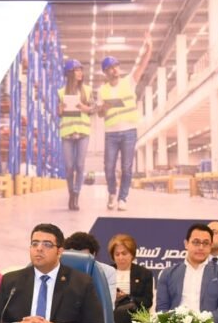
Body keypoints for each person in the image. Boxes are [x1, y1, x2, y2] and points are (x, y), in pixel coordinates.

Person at [97, 34, 152, 212]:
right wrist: (103, 108)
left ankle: (123, 199)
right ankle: (112, 193)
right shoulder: (102, 90)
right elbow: (100, 114)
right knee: (109, 168)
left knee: (127, 168)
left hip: (129, 131)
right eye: (110, 68)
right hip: (111, 133)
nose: (114, 70)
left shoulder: (129, 81)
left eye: (116, 66)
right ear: (106, 72)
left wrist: (149, 48)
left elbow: (143, 65)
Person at [156, 223, 218, 323]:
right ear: (186, 244)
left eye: (206, 243)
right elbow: (161, 309)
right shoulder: (168, 274)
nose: (201, 247)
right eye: (196, 242)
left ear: (211, 245)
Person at [57, 58, 94, 211]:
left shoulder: (87, 90)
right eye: (77, 70)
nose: (80, 73)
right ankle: (71, 194)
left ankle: (76, 194)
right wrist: (60, 109)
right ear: (69, 73)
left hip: (83, 132)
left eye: (81, 70)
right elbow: (59, 113)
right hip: (67, 133)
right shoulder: (61, 92)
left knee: (79, 165)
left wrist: (83, 107)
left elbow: (92, 109)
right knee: (69, 167)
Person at [107, 233, 154, 323]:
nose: (121, 257)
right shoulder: (106, 272)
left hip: (134, 318)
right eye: (117, 254)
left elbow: (147, 301)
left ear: (132, 254)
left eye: (124, 253)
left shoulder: (144, 273)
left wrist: (127, 298)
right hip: (110, 315)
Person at [64, 231, 117, 302]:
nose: (80, 261)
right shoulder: (61, 270)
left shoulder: (107, 271)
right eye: (76, 257)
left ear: (94, 254)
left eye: (84, 257)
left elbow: (109, 303)